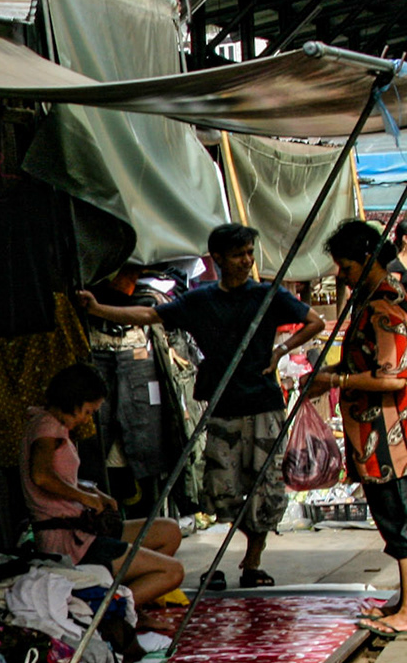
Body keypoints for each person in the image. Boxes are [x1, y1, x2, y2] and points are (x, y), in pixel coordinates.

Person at [74, 224, 325, 588]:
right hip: (222, 407)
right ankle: (224, 557)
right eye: (239, 254)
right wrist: (99, 308)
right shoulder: (201, 300)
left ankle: (252, 563)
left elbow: (314, 322)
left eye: (250, 254)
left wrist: (280, 351)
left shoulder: (266, 296)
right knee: (221, 490)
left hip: (263, 406)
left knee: (265, 488)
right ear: (218, 259)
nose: (246, 261)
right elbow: (148, 317)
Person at [22, 364, 185, 606]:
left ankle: (131, 601)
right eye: (87, 412)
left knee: (168, 531)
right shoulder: (47, 428)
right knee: (173, 572)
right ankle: (113, 614)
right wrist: (86, 498)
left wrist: (93, 492)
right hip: (68, 539)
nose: (87, 419)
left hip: (81, 527)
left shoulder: (53, 426)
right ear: (73, 400)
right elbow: (42, 476)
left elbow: (62, 478)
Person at [315, 220, 407, 636]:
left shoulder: (386, 305)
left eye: (346, 266)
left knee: (400, 521)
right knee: (392, 521)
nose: (341, 275)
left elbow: (392, 377)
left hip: (389, 435)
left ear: (368, 260)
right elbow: (361, 361)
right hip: (368, 435)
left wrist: (336, 381)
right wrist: (332, 374)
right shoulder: (367, 302)